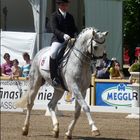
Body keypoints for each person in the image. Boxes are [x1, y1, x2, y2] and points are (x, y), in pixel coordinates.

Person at [49, 0, 78, 87]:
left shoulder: (70, 16)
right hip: (58, 40)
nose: (65, 7)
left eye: (66, 5)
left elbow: (74, 28)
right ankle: (54, 77)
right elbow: (54, 29)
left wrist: (76, 35)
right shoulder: (54, 16)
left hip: (70, 40)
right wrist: (63, 35)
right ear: (59, 5)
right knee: (53, 53)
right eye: (63, 5)